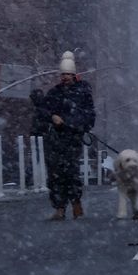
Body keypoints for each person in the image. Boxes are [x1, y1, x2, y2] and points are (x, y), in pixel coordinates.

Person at [39, 51, 96, 220]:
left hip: (72, 139)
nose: (65, 77)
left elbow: (88, 117)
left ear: (74, 75)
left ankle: (75, 203)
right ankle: (60, 207)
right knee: (55, 174)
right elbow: (43, 111)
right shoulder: (54, 93)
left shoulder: (82, 93)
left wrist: (69, 123)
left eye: (68, 74)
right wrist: (52, 117)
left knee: (70, 172)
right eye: (63, 74)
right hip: (55, 139)